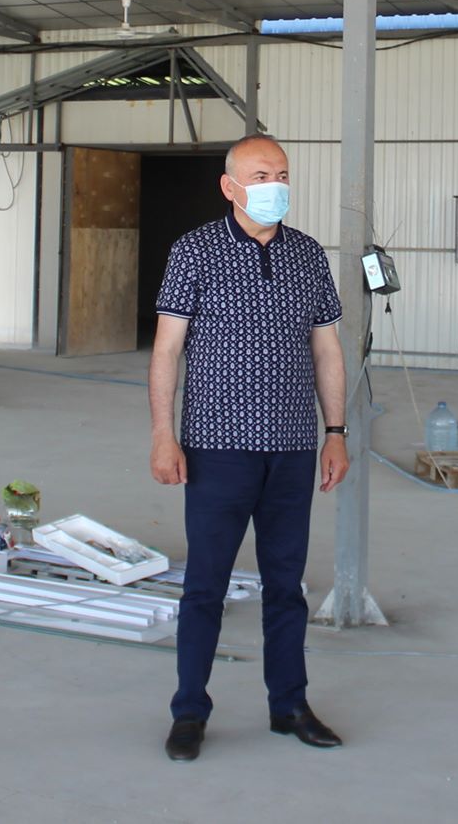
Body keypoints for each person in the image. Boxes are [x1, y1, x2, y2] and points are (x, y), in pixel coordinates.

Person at [148, 134, 349, 762]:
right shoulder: (195, 251)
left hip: (291, 448)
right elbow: (167, 350)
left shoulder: (308, 255)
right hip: (217, 449)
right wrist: (163, 434)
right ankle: (189, 711)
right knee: (204, 586)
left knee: (286, 587)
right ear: (229, 186)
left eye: (281, 174)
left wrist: (336, 432)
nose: (274, 185)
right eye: (260, 175)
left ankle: (289, 705)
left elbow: (326, 349)